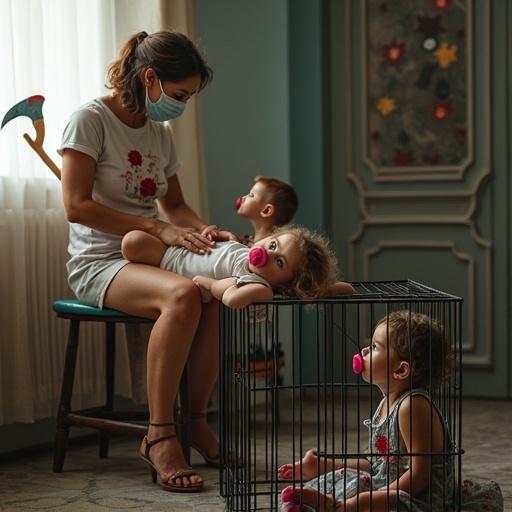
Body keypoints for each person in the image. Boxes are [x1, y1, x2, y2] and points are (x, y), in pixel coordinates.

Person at [59, 30, 227, 493]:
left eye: (189, 97)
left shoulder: (160, 132)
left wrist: (205, 231)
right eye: (178, 94)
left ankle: (196, 420)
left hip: (153, 253)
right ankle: (160, 434)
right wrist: (157, 228)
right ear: (149, 78)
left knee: (214, 295)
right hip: (100, 262)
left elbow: (175, 208)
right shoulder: (88, 120)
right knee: (182, 295)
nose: (182, 105)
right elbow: (76, 206)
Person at [278, 311, 504, 511]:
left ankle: (335, 506)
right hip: (391, 483)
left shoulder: (412, 407)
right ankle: (330, 503)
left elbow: (420, 477)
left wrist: (371, 499)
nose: (365, 350)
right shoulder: (389, 401)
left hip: (419, 499)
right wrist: (326, 465)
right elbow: (379, 463)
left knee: (359, 496)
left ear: (401, 370)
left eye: (375, 347)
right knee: (342, 478)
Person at [121, 225, 351, 305]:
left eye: (279, 262)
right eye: (272, 245)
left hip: (169, 270)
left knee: (133, 243)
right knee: (133, 240)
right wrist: (215, 235)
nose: (267, 255)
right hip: (175, 251)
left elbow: (232, 298)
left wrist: (210, 285)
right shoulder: (247, 253)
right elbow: (224, 253)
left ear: (287, 285)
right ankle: (321, 289)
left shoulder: (259, 286)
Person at [234, 176, 299, 245]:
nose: (244, 197)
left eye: (251, 195)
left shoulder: (270, 252)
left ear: (266, 211)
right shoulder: (246, 242)